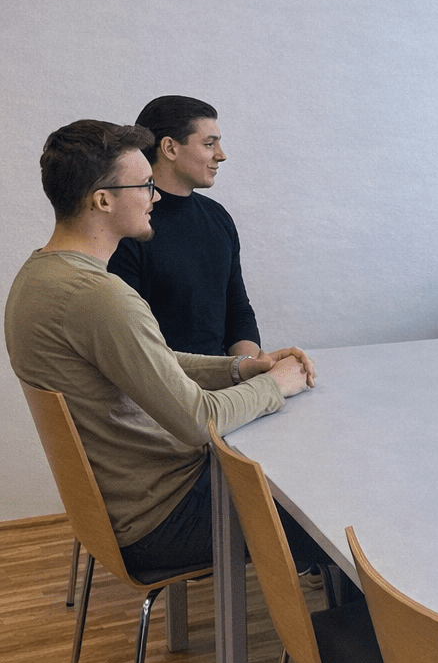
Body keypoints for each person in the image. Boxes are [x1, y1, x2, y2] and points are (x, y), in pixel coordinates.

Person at [5, 120, 317, 575]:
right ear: (103, 200)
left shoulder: (38, 277)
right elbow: (198, 421)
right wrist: (276, 384)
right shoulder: (100, 297)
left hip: (131, 508)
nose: (154, 198)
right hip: (164, 516)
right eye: (145, 186)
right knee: (330, 507)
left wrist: (239, 368)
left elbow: (155, 362)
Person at [108, 96, 260, 362]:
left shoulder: (218, 217)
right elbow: (129, 341)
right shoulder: (129, 225)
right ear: (170, 148)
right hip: (159, 382)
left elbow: (238, 311)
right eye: (209, 144)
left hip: (224, 379)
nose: (221, 155)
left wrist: (247, 368)